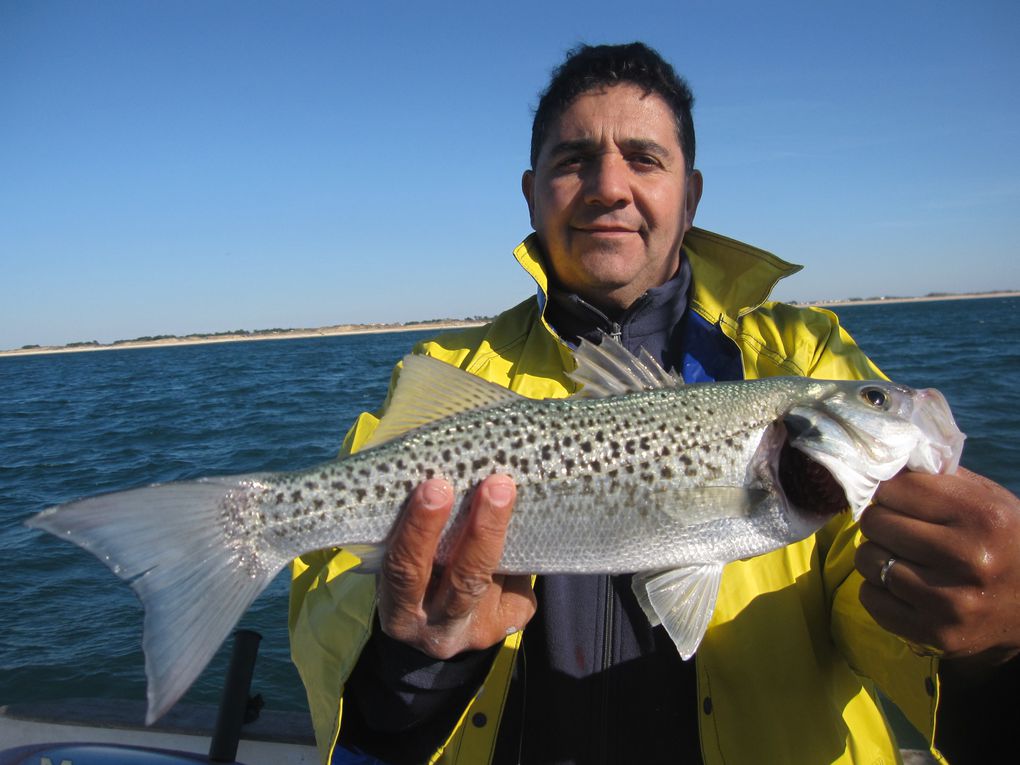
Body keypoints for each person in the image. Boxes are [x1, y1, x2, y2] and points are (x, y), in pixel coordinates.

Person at [289, 42, 1020, 765]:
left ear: (691, 193)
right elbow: (342, 664)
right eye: (574, 160)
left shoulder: (805, 358)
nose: (610, 186)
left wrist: (992, 647)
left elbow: (903, 639)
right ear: (531, 190)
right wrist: (413, 655)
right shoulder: (446, 370)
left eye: (644, 158)